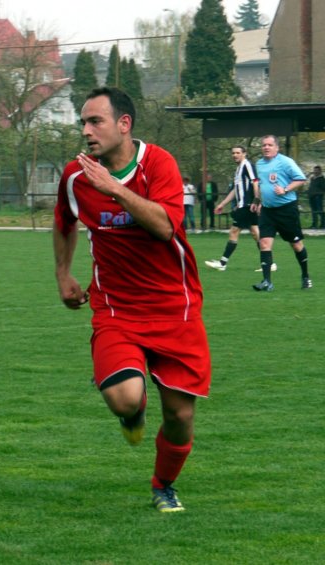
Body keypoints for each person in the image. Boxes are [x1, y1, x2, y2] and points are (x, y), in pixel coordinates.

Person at [53, 87, 209, 513]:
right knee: (125, 397)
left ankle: (163, 485)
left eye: (95, 122)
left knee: (180, 417)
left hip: (175, 309)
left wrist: (114, 189)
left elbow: (165, 226)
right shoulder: (75, 175)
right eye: (83, 123)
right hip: (115, 309)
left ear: (124, 124)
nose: (86, 131)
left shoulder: (159, 163)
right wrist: (64, 274)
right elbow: (64, 220)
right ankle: (132, 412)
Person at [252, 135, 311, 291]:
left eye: (270, 145)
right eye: (264, 145)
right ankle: (266, 281)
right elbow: (262, 184)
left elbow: (301, 179)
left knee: (296, 245)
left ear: (277, 147)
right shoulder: (259, 164)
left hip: (286, 210)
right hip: (267, 211)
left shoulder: (286, 162)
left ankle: (305, 276)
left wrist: (285, 189)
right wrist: (257, 200)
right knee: (264, 243)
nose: (266, 147)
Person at [205, 146, 276, 272]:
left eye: (238, 153)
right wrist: (222, 204)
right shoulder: (239, 169)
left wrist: (256, 200)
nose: (235, 155)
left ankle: (222, 263)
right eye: (233, 153)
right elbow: (235, 190)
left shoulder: (247, 165)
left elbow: (255, 182)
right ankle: (269, 263)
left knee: (234, 231)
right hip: (245, 205)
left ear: (244, 154)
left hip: (247, 206)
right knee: (255, 233)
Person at [308, 165, 324, 229]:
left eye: (317, 170)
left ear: (320, 171)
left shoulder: (322, 179)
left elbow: (323, 188)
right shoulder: (312, 178)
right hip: (311, 196)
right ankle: (314, 224)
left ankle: (323, 224)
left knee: (319, 210)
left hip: (318, 196)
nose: (315, 172)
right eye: (314, 170)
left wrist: (318, 192)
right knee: (313, 211)